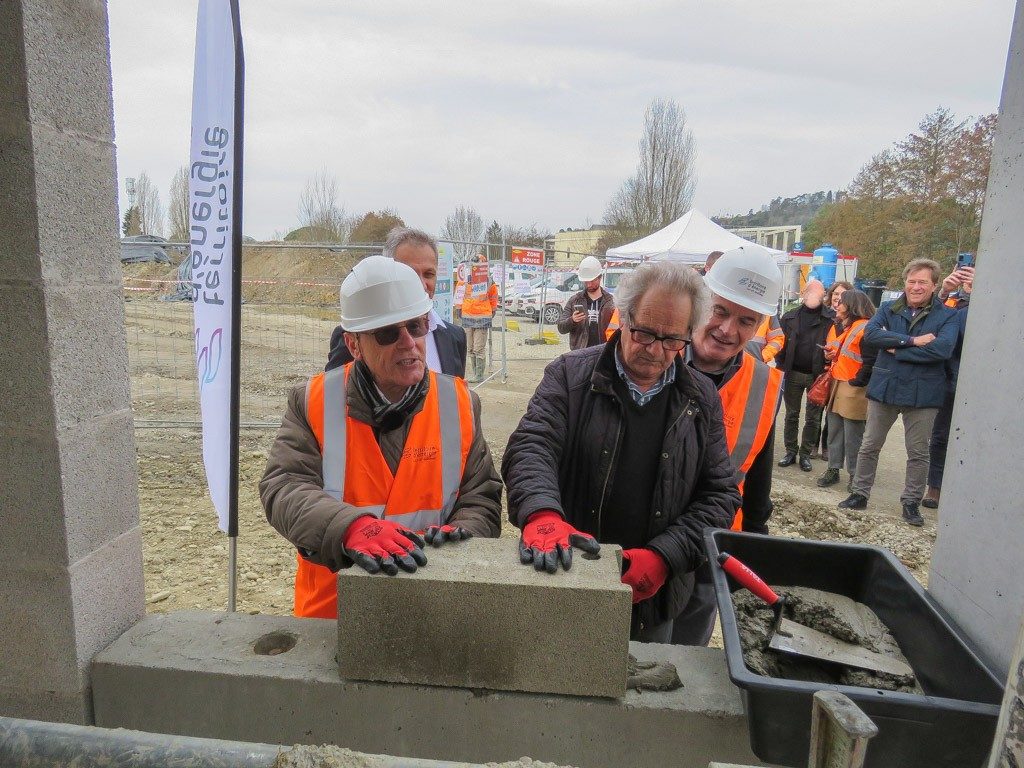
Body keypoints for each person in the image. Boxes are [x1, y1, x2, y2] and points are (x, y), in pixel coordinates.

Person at [502, 261, 741, 643]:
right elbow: (532, 445)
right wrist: (542, 513)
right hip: (567, 576)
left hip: (653, 598)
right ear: (624, 318)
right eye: (645, 332)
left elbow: (720, 493)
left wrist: (667, 556)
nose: (655, 350)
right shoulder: (568, 375)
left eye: (671, 339)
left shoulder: (700, 397)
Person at [261, 255, 502, 618]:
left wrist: (463, 536)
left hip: (432, 605)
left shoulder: (460, 402)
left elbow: (481, 495)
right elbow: (283, 487)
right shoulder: (313, 402)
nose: (409, 343)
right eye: (388, 332)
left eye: (417, 325)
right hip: (335, 612)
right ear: (354, 345)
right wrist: (350, 527)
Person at [671, 245, 784, 646]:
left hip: (710, 546)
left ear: (759, 326)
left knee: (685, 658)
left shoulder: (764, 385)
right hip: (641, 542)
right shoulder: (653, 356)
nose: (727, 330)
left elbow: (757, 481)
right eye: (720, 311)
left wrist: (752, 543)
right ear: (701, 303)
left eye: (746, 320)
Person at [838, 258, 959, 526]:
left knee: (918, 452)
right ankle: (859, 494)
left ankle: (911, 503)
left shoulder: (948, 316)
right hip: (886, 388)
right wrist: (912, 341)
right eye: (911, 281)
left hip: (923, 393)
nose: (916, 287)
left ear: (934, 285)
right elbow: (871, 336)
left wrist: (895, 348)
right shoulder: (887, 309)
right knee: (869, 445)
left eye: (922, 282)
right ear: (905, 282)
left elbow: (942, 350)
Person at [327, 227, 467, 378]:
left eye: (429, 274)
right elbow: (337, 394)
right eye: (410, 274)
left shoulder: (454, 337)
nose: (420, 284)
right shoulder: (358, 335)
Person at [922, 264, 974, 508]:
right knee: (940, 436)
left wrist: (980, 295)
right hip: (948, 381)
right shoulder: (951, 303)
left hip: (978, 384)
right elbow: (929, 323)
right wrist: (943, 292)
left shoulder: (991, 301)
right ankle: (935, 487)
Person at [816, 290, 877, 490]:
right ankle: (834, 469)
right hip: (839, 385)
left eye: (841, 303)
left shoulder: (865, 328)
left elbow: (869, 361)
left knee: (853, 437)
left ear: (852, 306)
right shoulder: (852, 327)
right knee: (834, 431)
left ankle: (854, 476)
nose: (837, 306)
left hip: (853, 389)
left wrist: (857, 381)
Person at [777, 279, 830, 472]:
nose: (816, 296)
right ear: (804, 293)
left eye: (820, 292)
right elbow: (779, 343)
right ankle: (791, 451)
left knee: (813, 418)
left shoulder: (830, 319)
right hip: (793, 373)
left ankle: (805, 455)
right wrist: (781, 365)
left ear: (824, 296)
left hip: (818, 377)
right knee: (791, 415)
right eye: (812, 291)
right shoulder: (789, 317)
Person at [817, 281, 853, 459]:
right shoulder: (824, 317)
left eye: (843, 295)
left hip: (841, 375)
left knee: (832, 416)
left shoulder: (850, 323)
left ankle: (827, 448)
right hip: (822, 371)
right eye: (836, 294)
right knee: (816, 412)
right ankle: (813, 446)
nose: (838, 297)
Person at [557, 255, 616, 350]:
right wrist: (572, 320)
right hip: (580, 353)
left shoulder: (611, 301)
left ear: (600, 278)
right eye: (586, 281)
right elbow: (561, 328)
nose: (589, 284)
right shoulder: (574, 300)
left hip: (604, 352)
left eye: (592, 281)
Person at [461, 253, 499, 383]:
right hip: (467, 316)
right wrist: (458, 308)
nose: (475, 267)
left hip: (482, 317)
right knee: (470, 348)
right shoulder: (466, 279)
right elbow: (460, 294)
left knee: (478, 348)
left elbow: (494, 297)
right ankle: (475, 374)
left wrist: (493, 310)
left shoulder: (489, 281)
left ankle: (479, 375)